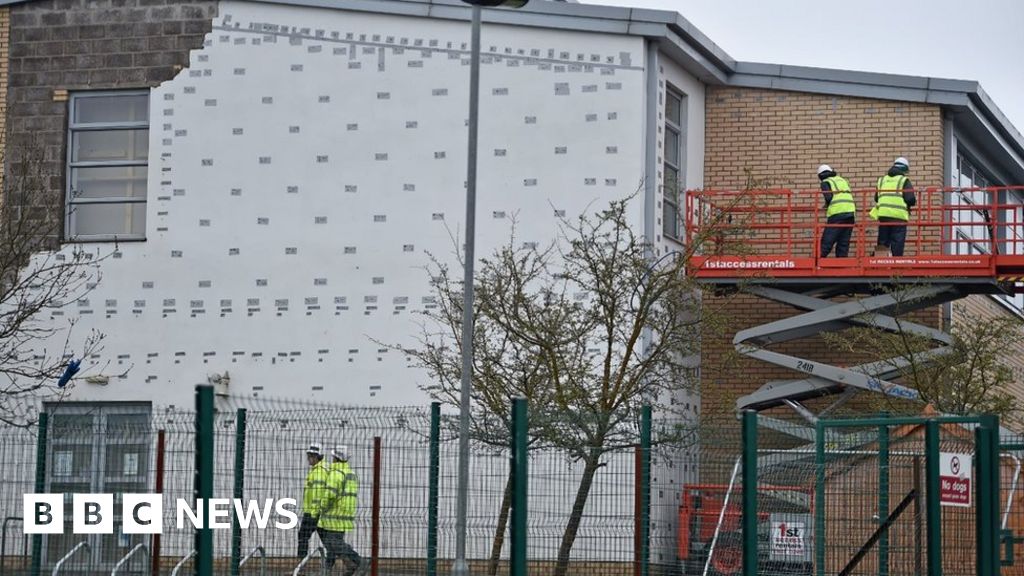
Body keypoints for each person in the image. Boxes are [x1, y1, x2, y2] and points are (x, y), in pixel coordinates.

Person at [319, 445, 363, 575]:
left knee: (332, 543)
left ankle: (358, 560)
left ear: (335, 458)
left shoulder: (336, 473)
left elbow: (330, 494)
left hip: (334, 514)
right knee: (332, 543)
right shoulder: (351, 474)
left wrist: (322, 506)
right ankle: (331, 568)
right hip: (346, 514)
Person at [872, 157, 916, 256]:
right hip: (898, 217)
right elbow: (910, 199)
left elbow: (876, 198)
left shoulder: (882, 180)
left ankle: (880, 263)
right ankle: (897, 265)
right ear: (904, 169)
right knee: (897, 242)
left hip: (883, 216)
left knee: (883, 241)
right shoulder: (904, 180)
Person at [298, 443, 331, 558]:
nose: (309, 458)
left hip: (313, 512)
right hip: (318, 512)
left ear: (318, 457)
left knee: (303, 536)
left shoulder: (319, 471)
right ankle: (345, 561)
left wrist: (314, 513)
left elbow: (318, 493)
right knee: (327, 540)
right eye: (309, 455)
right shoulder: (318, 470)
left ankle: (300, 565)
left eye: (312, 456)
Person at [816, 164, 855, 257]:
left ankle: (818, 261)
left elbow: (829, 197)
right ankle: (841, 263)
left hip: (837, 213)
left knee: (828, 239)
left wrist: (826, 205)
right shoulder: (841, 180)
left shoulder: (825, 182)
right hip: (850, 213)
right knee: (843, 241)